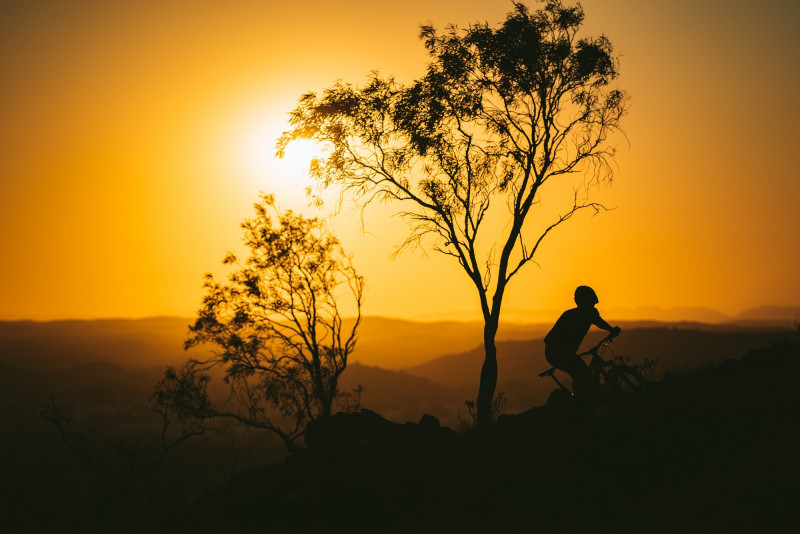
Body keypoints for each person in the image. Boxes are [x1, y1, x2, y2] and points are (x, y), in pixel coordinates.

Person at [544, 286, 621, 398]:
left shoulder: (585, 313)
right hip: (555, 352)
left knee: (583, 374)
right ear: (585, 303)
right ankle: (579, 402)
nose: (593, 308)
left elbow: (598, 321)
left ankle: (583, 399)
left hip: (562, 352)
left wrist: (611, 329)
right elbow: (598, 321)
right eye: (591, 304)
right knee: (581, 374)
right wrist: (611, 329)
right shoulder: (572, 315)